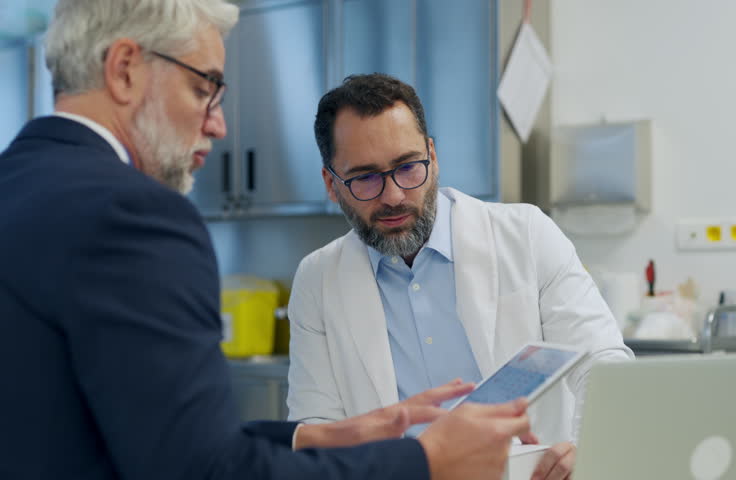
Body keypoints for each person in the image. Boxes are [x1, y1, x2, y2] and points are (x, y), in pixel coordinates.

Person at [0, 2, 532, 479]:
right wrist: (426, 461)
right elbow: (205, 470)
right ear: (124, 70)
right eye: (203, 88)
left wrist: (319, 436)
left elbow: (139, 435)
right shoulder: (134, 215)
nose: (218, 125)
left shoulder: (17, 184)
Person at [286, 73, 636, 480]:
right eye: (365, 178)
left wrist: (586, 448)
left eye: (408, 167)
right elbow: (317, 428)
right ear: (331, 184)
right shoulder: (318, 280)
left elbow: (601, 363)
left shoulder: (527, 234)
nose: (394, 195)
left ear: (433, 156)